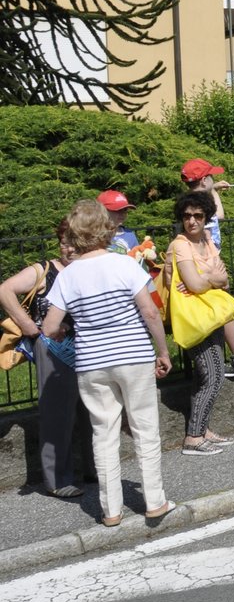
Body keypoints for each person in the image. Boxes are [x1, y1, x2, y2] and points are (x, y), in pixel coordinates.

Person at [40, 200, 174, 525]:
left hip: (91, 362)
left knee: (103, 434)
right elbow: (150, 312)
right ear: (106, 229)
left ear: (74, 234)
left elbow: (48, 327)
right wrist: (163, 350)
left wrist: (66, 331)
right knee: (144, 427)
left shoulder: (68, 276)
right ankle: (154, 501)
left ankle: (110, 510)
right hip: (133, 355)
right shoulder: (124, 265)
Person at [168, 192, 234, 456]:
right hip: (194, 318)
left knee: (204, 377)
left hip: (211, 313)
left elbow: (225, 282)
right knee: (213, 376)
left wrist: (204, 279)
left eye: (198, 216)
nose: (191, 221)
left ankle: (203, 429)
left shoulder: (207, 241)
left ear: (206, 217)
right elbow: (200, 283)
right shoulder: (180, 245)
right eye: (186, 216)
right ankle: (193, 438)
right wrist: (209, 279)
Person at [0, 220, 83, 498]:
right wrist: (29, 328)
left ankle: (92, 471)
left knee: (90, 408)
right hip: (52, 347)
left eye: (72, 241)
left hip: (87, 345)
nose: (67, 248)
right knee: (57, 412)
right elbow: (4, 290)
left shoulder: (88, 267)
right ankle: (57, 480)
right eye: (63, 241)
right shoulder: (44, 270)